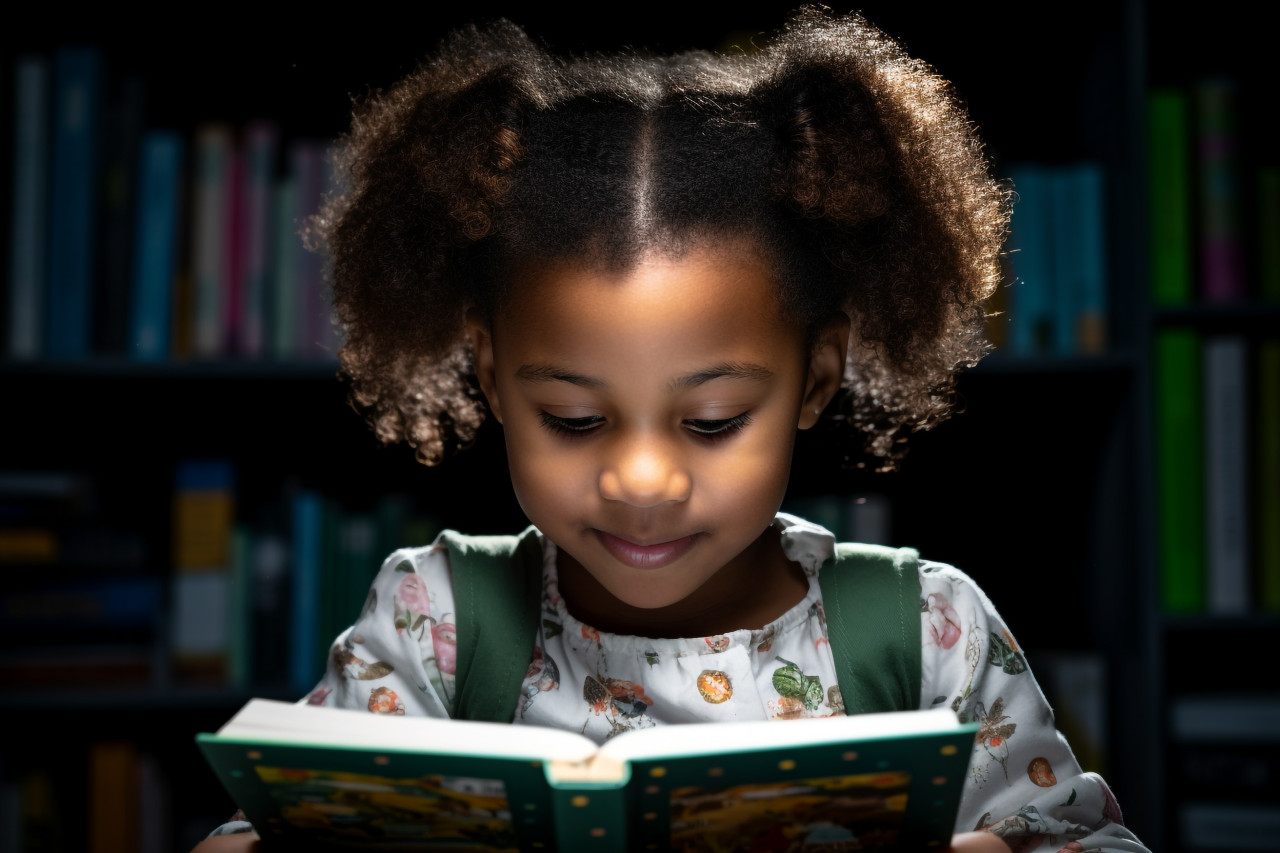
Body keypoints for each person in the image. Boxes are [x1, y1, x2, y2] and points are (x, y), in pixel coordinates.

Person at [193, 7, 1150, 852]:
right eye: (573, 419)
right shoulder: (432, 622)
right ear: (489, 374)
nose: (642, 479)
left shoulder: (930, 634)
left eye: (712, 420)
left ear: (815, 378)